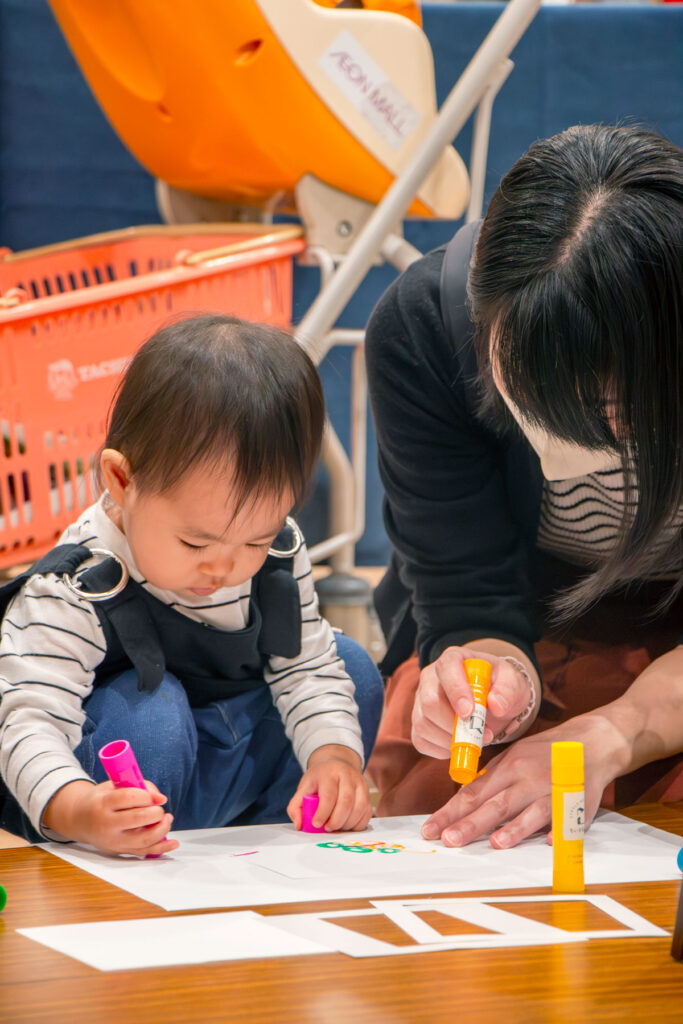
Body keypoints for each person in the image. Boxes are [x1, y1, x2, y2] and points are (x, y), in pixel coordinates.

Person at [365, 123, 683, 850]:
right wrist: (489, 673)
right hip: (537, 633)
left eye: (602, 414)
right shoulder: (425, 328)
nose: (559, 454)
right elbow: (464, 593)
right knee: (441, 810)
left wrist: (619, 727)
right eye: (526, 394)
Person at [0, 313, 383, 856]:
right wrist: (78, 807)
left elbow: (306, 668)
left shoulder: (274, 551)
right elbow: (28, 718)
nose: (224, 568)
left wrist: (335, 759)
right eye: (196, 544)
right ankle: (141, 856)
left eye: (254, 539)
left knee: (353, 669)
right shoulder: (75, 585)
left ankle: (270, 850)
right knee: (152, 710)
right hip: (128, 797)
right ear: (122, 480)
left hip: (230, 770)